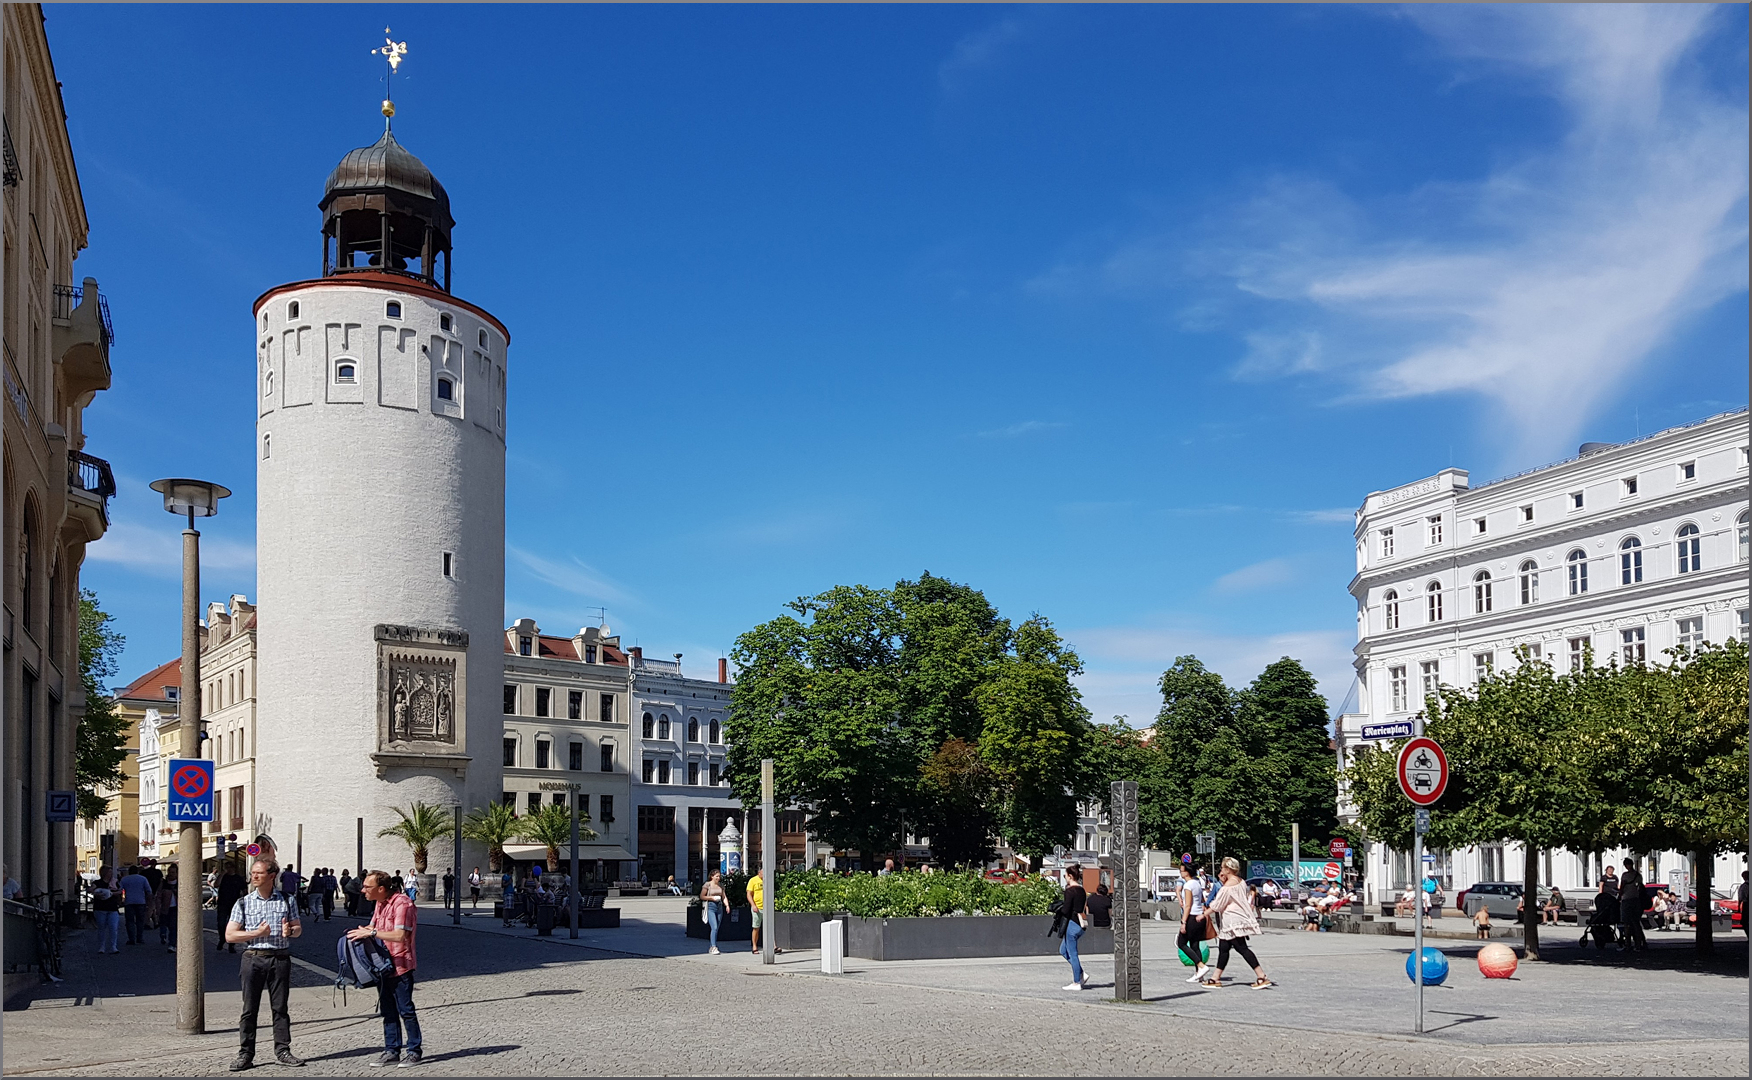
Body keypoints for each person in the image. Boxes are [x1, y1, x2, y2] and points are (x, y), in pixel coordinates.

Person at [226, 857, 304, 1071]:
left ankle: (283, 1050)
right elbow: (230, 935)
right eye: (253, 873)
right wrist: (256, 933)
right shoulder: (244, 902)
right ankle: (245, 1054)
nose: (254, 876)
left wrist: (291, 931)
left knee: (280, 1008)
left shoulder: (287, 900)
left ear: (272, 876)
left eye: (259, 873)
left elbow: (297, 928)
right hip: (253, 958)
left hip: (279, 958)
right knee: (249, 1009)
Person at [347, 871, 422, 1068]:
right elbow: (372, 928)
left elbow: (399, 936)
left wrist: (370, 932)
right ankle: (392, 1051)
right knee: (388, 1011)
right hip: (382, 966)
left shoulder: (402, 904)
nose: (363, 890)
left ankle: (414, 1050)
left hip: (400, 965)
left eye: (367, 887)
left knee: (406, 1010)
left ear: (381, 889)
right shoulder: (379, 904)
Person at [1203, 857, 1271, 989]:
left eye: (1223, 868)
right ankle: (1215, 978)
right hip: (1238, 918)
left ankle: (1261, 976)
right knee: (1224, 948)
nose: (1221, 870)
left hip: (1232, 920)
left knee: (1242, 948)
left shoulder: (1227, 887)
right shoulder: (1241, 882)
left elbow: (1218, 905)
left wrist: (1203, 914)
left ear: (1228, 869)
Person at [1056, 863, 1089, 991]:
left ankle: (1076, 982)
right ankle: (1081, 973)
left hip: (1072, 923)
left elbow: (1066, 909)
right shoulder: (1081, 890)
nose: (1064, 876)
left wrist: (1058, 909)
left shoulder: (1070, 891)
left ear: (1070, 876)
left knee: (1072, 953)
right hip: (1081, 923)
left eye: (1065, 874)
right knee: (1063, 950)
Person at [217, 863, 248, 953]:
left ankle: (231, 945)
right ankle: (222, 939)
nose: (228, 869)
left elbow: (244, 891)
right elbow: (216, 884)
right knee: (221, 923)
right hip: (222, 903)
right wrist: (222, 874)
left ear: (233, 868)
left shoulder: (238, 879)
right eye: (226, 867)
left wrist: (244, 902)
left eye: (229, 867)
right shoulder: (223, 877)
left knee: (233, 925)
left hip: (234, 904)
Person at [91, 867, 123, 954]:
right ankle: (102, 947)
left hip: (113, 908)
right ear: (104, 873)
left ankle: (113, 947)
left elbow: (120, 891)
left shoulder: (114, 882)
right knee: (101, 928)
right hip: (100, 908)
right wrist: (96, 893)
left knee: (113, 928)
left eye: (111, 872)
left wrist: (112, 893)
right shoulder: (97, 883)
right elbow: (91, 889)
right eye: (109, 872)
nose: (111, 874)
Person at [1618, 859, 1648, 952]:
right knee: (1636, 923)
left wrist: (1619, 897)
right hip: (1636, 900)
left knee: (1627, 923)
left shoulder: (1625, 875)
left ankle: (1628, 945)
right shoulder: (1638, 875)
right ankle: (1638, 944)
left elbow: (1622, 888)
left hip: (1627, 900)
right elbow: (1640, 888)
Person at [119, 864, 153, 946]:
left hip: (129, 902)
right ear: (137, 871)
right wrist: (149, 901)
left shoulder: (124, 879)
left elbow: (119, 890)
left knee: (130, 921)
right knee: (140, 921)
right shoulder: (143, 879)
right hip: (141, 902)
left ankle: (131, 939)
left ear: (129, 872)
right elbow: (149, 891)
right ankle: (140, 938)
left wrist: (120, 901)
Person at [701, 869, 728, 954]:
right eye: (717, 876)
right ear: (712, 876)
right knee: (714, 927)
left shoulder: (721, 885)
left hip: (719, 906)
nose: (718, 878)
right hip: (711, 906)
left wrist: (727, 905)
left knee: (717, 928)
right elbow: (702, 896)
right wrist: (711, 898)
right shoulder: (707, 885)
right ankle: (713, 947)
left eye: (719, 876)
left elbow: (724, 896)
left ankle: (712, 945)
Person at [154, 865, 179, 952]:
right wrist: (158, 907)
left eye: (173, 872)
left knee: (173, 927)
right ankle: (163, 935)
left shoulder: (179, 884)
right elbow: (159, 896)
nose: (171, 874)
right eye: (170, 872)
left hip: (175, 908)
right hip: (164, 908)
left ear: (177, 874)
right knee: (163, 923)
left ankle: (172, 945)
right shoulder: (163, 883)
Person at [747, 867, 766, 955]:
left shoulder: (767, 880)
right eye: (763, 873)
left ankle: (773, 946)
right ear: (759, 872)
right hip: (757, 907)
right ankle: (754, 946)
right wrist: (753, 905)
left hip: (767, 907)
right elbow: (749, 894)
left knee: (770, 928)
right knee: (756, 927)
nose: (764, 875)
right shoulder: (753, 880)